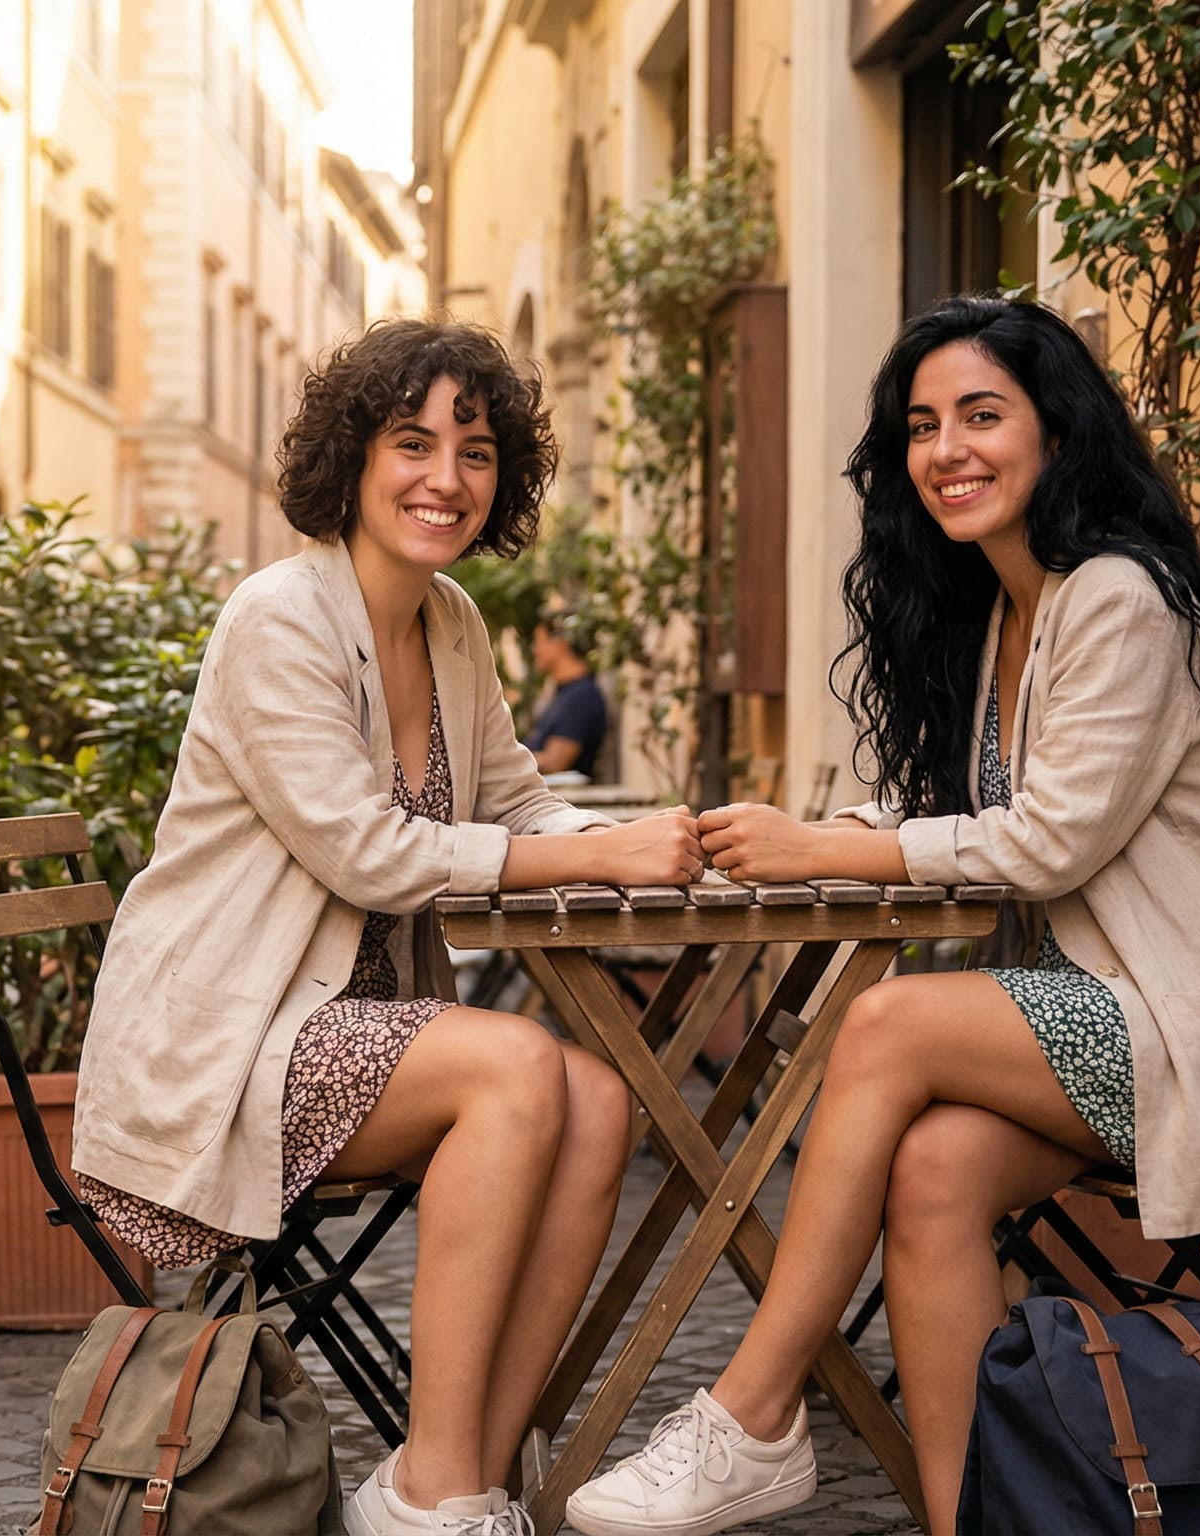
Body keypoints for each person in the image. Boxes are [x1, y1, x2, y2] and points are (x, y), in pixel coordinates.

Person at [562, 295, 1200, 1536]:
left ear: (1058, 430)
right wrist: (829, 833)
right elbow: (986, 812)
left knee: (886, 1028)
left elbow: (1048, 840)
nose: (946, 450)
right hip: (1106, 1020)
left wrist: (834, 848)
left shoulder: (1117, 596)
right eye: (922, 426)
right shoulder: (1004, 610)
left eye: (981, 415)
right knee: (934, 1170)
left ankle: (753, 1413)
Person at [70, 318, 708, 1536]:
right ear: (353, 459)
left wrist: (640, 840)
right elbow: (363, 849)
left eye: (476, 452)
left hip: (367, 1032)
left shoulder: (450, 621)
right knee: (514, 1064)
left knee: (599, 1103)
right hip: (237, 1037)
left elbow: (515, 800)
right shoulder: (280, 618)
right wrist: (593, 856)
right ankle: (436, 1493)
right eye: (412, 443)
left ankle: (460, 1481)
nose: (444, 477)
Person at [522, 612, 609, 779]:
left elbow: (555, 762)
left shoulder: (581, 697)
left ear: (560, 644)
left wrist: (507, 764)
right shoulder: (564, 693)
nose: (535, 650)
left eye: (539, 641)